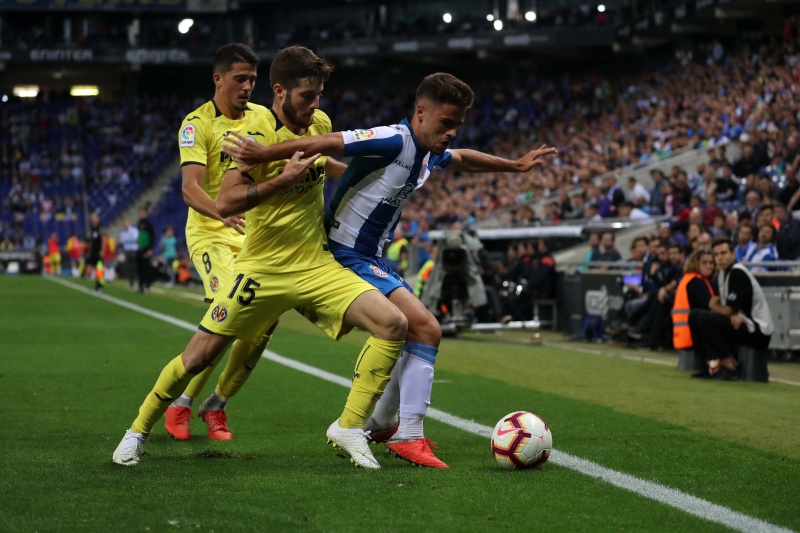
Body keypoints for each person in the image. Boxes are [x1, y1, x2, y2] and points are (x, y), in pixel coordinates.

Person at [222, 72, 556, 468]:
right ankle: (407, 434)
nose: (451, 132)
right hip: (345, 253)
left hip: (372, 258)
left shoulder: (429, 150)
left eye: (457, 125)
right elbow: (327, 141)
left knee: (415, 331)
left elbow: (464, 158)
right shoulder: (391, 139)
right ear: (421, 112)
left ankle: (382, 424)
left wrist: (515, 166)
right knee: (427, 328)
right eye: (445, 122)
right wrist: (264, 154)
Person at [113, 45, 407, 470]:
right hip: (262, 271)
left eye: (319, 95)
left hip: (315, 266)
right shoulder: (253, 135)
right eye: (307, 96)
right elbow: (227, 200)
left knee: (392, 323)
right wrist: (282, 179)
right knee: (198, 357)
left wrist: (376, 182)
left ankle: (349, 426)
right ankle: (136, 432)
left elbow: (323, 161)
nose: (315, 105)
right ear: (280, 92)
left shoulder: (320, 123)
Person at [688, 238, 773, 380]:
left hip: (757, 330)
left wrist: (716, 307)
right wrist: (726, 310)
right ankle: (710, 364)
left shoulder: (737, 273)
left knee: (704, 318)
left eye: (723, 253)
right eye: (716, 255)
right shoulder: (722, 274)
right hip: (742, 323)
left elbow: (727, 310)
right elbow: (726, 309)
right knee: (694, 316)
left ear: (733, 254)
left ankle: (728, 364)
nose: (720, 258)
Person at [671, 249, 716, 352]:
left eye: (711, 263)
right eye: (704, 262)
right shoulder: (696, 282)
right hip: (693, 336)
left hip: (684, 335)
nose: (709, 266)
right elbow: (707, 307)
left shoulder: (689, 279)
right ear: (696, 263)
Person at [136, 206, 155, 293]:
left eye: (142, 212)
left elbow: (152, 236)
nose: (141, 214)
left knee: (146, 268)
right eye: (140, 213)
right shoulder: (139, 223)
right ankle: (140, 285)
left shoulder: (149, 223)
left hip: (146, 249)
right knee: (140, 268)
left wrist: (150, 249)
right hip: (139, 248)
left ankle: (147, 285)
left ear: (145, 213)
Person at [118, 218, 139, 289]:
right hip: (126, 251)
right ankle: (131, 282)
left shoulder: (133, 230)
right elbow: (121, 242)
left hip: (133, 250)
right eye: (124, 223)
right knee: (129, 267)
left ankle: (135, 281)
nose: (125, 224)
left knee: (134, 267)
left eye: (126, 222)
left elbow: (136, 239)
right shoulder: (122, 233)